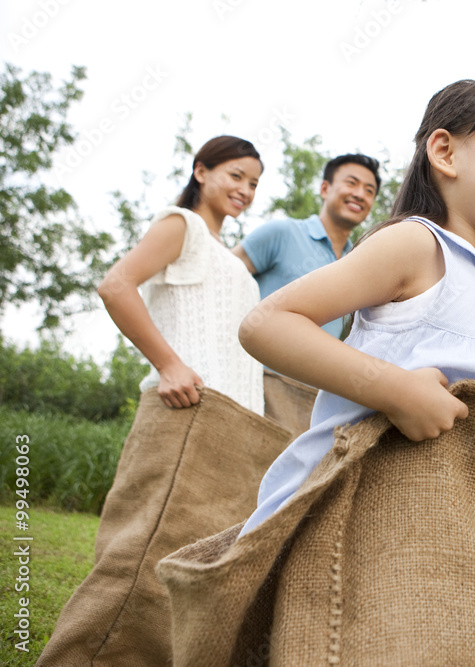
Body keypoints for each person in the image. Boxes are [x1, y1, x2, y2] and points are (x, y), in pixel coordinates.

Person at [236, 79, 475, 536]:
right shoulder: (419, 244)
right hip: (344, 515)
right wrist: (398, 392)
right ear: (446, 153)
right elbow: (266, 324)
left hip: (426, 527)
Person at [38, 136, 292, 666]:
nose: (245, 190)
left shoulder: (229, 257)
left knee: (189, 569)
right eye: (236, 175)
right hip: (186, 410)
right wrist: (168, 364)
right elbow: (116, 286)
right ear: (202, 170)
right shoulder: (183, 226)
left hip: (231, 425)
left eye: (254, 183)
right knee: (143, 561)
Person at [232, 153, 381, 340]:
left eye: (369, 191)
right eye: (351, 183)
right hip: (252, 367)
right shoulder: (281, 233)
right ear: (325, 189)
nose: (360, 195)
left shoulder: (356, 262)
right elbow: (220, 277)